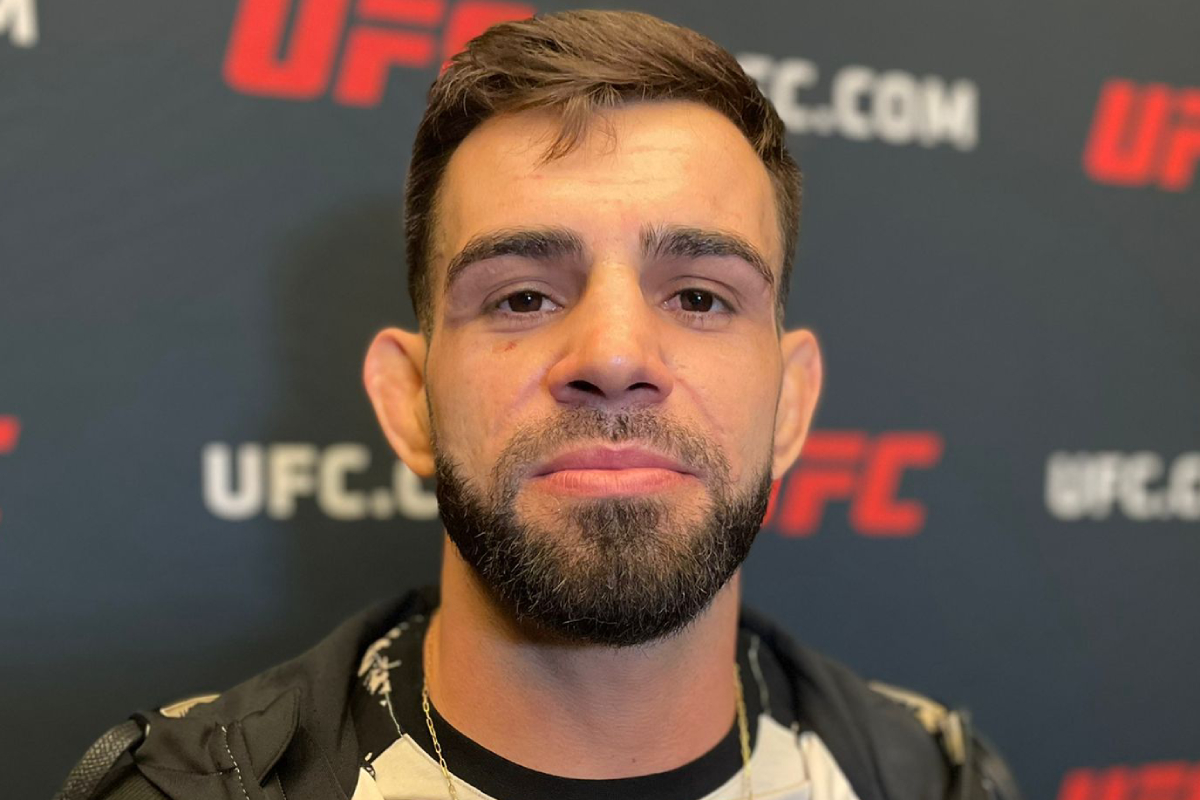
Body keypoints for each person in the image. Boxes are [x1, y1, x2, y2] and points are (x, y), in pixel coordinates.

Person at [58, 10, 1021, 800]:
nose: (614, 357)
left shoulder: (929, 779)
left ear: (793, 404)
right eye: (522, 297)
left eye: (698, 296)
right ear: (411, 401)